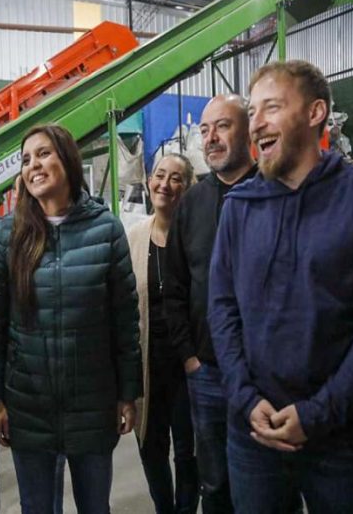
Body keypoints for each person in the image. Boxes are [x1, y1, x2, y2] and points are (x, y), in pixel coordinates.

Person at [208, 60, 353, 513]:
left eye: (271, 108)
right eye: (251, 112)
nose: (255, 123)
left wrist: (317, 413)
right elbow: (222, 309)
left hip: (343, 437)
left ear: (315, 113)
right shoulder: (239, 207)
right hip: (253, 434)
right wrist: (244, 398)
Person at [0, 124, 142, 513]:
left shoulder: (106, 230)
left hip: (93, 404)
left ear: (67, 160)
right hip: (28, 406)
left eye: (43, 154)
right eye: (25, 160)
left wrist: (128, 394)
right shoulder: (7, 235)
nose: (32, 165)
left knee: (95, 506)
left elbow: (124, 320)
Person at [164, 94, 257, 514]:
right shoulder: (191, 205)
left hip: (266, 374)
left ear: (248, 130)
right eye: (204, 129)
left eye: (223, 126)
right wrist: (189, 357)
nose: (211, 137)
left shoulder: (273, 192)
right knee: (215, 482)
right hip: (208, 373)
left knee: (267, 483)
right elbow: (175, 287)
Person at [127, 153, 198, 514]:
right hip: (147, 366)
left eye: (175, 178)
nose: (164, 185)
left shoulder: (197, 238)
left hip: (188, 366)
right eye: (159, 175)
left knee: (188, 450)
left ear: (187, 187)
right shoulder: (134, 238)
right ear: (149, 180)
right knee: (151, 447)